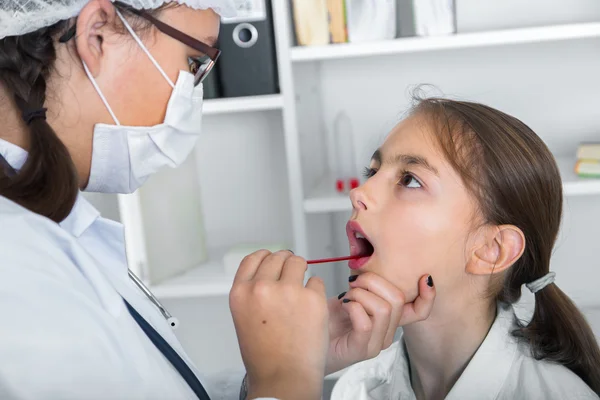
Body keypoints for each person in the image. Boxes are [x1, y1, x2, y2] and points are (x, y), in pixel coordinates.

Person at [0, 1, 437, 399]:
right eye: (195, 62)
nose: (361, 193)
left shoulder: (47, 229)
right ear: (97, 34)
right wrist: (284, 381)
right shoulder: (15, 267)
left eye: (412, 180)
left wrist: (297, 361)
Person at [330, 96, 600, 399]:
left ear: (491, 249)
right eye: (373, 172)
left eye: (409, 180)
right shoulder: (357, 389)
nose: (359, 192)